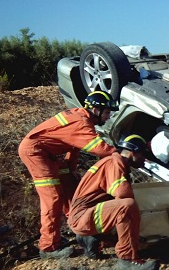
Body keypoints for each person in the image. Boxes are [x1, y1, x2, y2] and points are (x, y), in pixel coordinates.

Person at [18, 91, 118, 259]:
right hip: (36, 153)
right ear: (95, 110)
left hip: (48, 154)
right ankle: (48, 247)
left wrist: (71, 170)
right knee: (53, 197)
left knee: (72, 191)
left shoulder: (83, 119)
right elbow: (99, 148)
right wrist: (121, 153)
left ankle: (83, 230)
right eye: (107, 112)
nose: (108, 117)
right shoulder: (81, 122)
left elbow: (73, 147)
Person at [68, 134, 157, 270]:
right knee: (127, 206)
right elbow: (122, 193)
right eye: (143, 154)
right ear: (132, 152)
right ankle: (127, 260)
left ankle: (92, 238)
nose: (145, 160)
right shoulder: (115, 163)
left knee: (129, 219)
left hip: (85, 216)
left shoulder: (113, 162)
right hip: (83, 218)